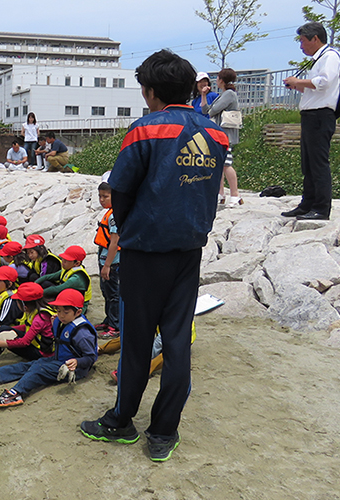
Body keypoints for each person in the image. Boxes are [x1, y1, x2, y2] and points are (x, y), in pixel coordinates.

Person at [79, 49, 226, 462]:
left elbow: (121, 190)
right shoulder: (214, 133)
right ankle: (163, 432)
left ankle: (122, 420)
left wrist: (127, 229)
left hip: (145, 253)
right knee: (178, 343)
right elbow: (208, 188)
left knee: (137, 341)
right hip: (189, 251)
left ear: (151, 91)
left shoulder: (144, 131)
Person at [0, 288, 97, 409]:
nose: (61, 315)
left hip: (73, 369)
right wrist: (55, 326)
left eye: (66, 312)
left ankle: (16, 393)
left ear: (78, 312)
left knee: (39, 369)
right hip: (59, 359)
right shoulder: (59, 321)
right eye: (58, 311)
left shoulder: (82, 333)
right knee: (34, 364)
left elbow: (91, 357)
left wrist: (77, 362)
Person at [281, 22, 340, 221]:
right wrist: (297, 86)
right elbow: (314, 88)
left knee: (318, 163)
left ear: (315, 38)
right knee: (307, 163)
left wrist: (298, 81)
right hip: (310, 116)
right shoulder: (318, 60)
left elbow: (324, 82)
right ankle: (307, 203)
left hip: (321, 116)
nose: (301, 46)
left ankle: (321, 208)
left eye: (302, 41)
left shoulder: (330, 56)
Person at [201, 68, 243, 208]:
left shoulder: (229, 94)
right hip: (220, 134)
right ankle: (221, 194)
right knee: (220, 164)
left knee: (226, 164)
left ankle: (235, 194)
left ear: (222, 80)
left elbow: (212, 111)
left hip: (226, 134)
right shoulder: (223, 94)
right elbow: (205, 110)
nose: (216, 80)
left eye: (218, 78)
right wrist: (203, 96)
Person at [93, 182, 121, 339]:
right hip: (104, 259)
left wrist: (107, 265)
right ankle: (108, 319)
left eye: (105, 196)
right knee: (106, 291)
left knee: (113, 294)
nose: (102, 200)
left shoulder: (114, 216)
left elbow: (114, 243)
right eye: (100, 196)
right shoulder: (109, 212)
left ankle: (115, 326)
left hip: (112, 262)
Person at [35, 245, 91, 313]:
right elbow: (47, 277)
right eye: (62, 259)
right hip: (68, 295)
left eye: (66, 261)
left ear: (77, 263)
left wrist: (36, 294)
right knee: (45, 283)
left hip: (78, 304)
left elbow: (57, 289)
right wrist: (34, 284)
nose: (62, 262)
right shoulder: (68, 268)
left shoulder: (76, 278)